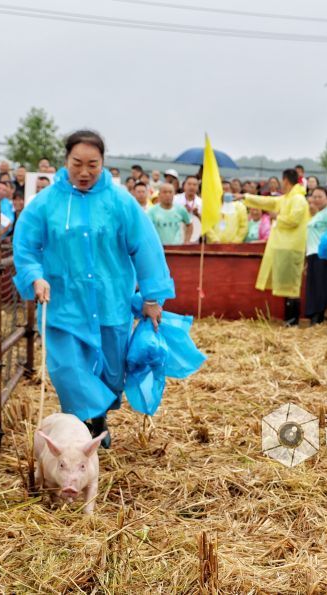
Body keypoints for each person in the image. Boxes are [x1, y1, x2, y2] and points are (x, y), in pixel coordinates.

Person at [13, 130, 173, 448]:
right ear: (65, 161)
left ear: (103, 163)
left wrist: (153, 297)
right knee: (68, 368)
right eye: (77, 164)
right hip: (64, 304)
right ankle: (81, 428)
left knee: (111, 373)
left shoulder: (120, 203)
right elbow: (26, 246)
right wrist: (34, 276)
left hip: (111, 301)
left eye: (92, 164)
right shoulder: (45, 204)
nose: (84, 172)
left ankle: (98, 418)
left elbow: (146, 248)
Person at [239, 169, 310, 326]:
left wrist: (277, 217)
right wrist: (246, 197)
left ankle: (293, 321)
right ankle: (289, 320)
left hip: (292, 247)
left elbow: (294, 220)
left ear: (285, 181)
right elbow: (268, 202)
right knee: (286, 285)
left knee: (292, 286)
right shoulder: (287, 198)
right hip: (284, 246)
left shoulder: (298, 199)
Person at [304, 187, 327, 325]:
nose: (316, 199)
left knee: (320, 285)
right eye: (314, 196)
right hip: (312, 254)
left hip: (322, 255)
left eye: (320, 196)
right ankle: (312, 315)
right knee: (313, 285)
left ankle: (318, 317)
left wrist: (326, 249)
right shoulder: (318, 214)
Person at [174, 175, 202, 243]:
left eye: (194, 185)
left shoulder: (201, 203)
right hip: (177, 235)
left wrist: (197, 215)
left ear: (198, 187)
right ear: (184, 186)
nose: (192, 187)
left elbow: (206, 222)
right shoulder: (175, 199)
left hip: (195, 236)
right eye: (189, 184)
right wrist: (182, 212)